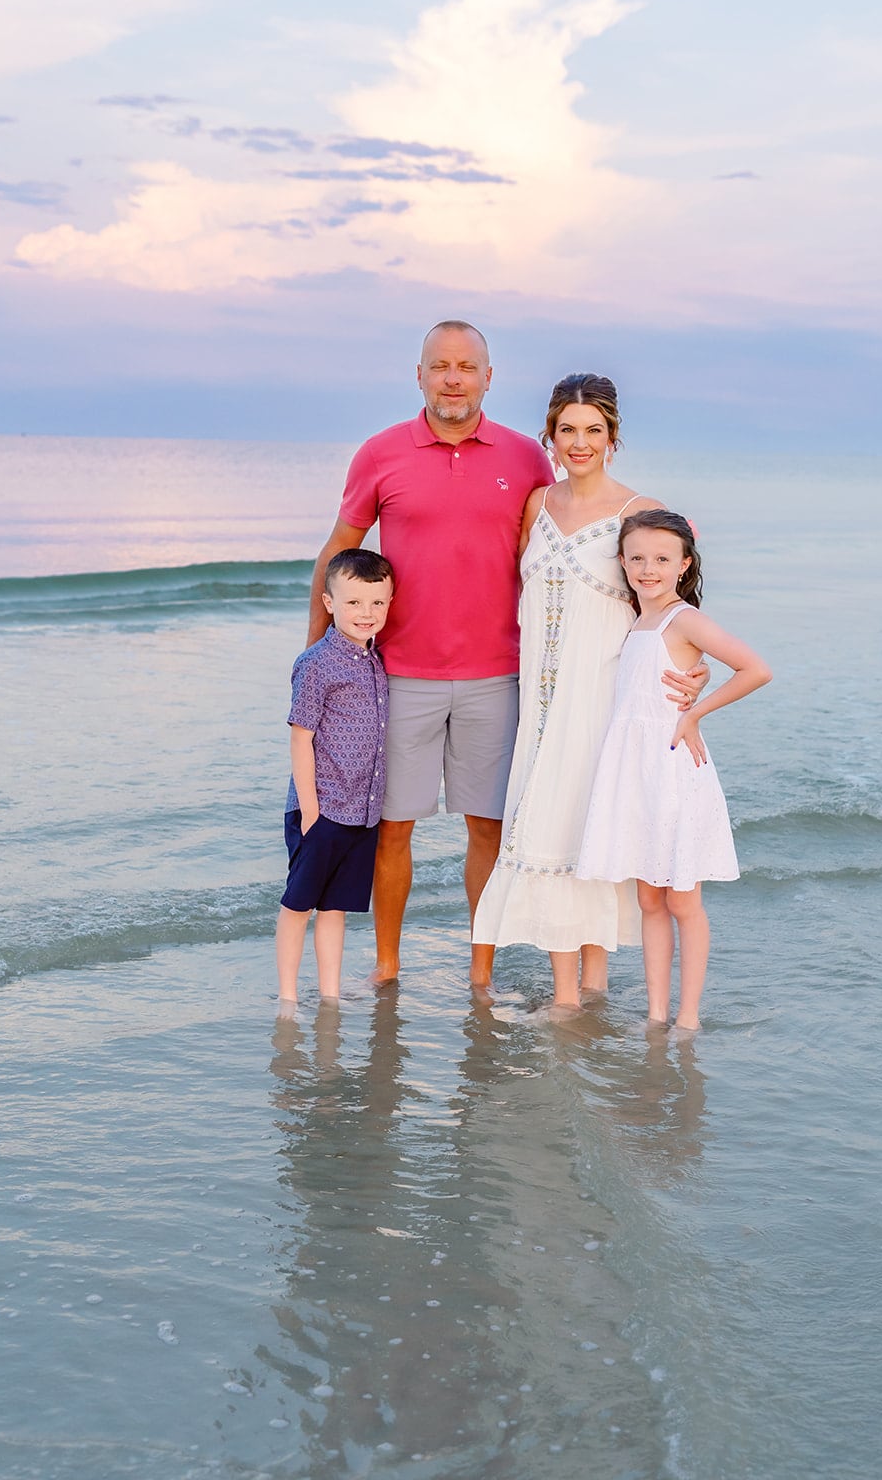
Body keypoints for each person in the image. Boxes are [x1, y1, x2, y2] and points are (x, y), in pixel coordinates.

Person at [306, 322, 554, 985]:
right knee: (392, 828)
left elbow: (557, 554)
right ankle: (387, 966)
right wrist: (318, 658)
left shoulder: (527, 457)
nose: (453, 378)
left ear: (488, 377)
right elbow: (337, 554)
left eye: (466, 366)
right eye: (439, 366)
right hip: (397, 676)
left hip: (497, 675)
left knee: (487, 828)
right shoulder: (380, 453)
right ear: (418, 375)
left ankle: (481, 968)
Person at [471, 374, 707, 1009]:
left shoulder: (640, 512)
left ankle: (584, 994)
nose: (580, 443)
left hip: (606, 703)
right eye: (567, 429)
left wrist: (696, 676)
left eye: (593, 431)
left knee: (587, 831)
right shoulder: (537, 506)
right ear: (550, 435)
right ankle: (572, 993)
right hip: (541, 704)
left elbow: (677, 608)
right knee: (550, 826)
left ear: (613, 437)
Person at [576, 511, 772, 1031]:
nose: (648, 569)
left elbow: (756, 668)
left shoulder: (683, 619)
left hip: (671, 765)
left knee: (683, 899)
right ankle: (656, 1012)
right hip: (635, 769)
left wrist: (695, 712)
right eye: (637, 557)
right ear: (622, 561)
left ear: (684, 565)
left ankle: (688, 1016)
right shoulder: (635, 618)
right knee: (649, 898)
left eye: (662, 559)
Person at [276, 548, 394, 1006]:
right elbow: (300, 739)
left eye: (377, 603)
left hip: (362, 813)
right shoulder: (316, 663)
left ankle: (329, 995)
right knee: (297, 906)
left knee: (336, 908)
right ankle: (288, 998)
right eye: (353, 603)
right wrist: (310, 811)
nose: (366, 614)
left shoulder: (375, 659)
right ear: (329, 603)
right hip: (321, 810)